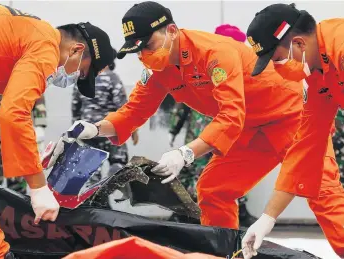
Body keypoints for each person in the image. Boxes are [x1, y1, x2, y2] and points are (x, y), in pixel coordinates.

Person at [46, 0, 337, 248]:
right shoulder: (158, 68)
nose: (146, 55)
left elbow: (231, 114)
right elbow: (133, 112)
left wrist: (185, 154)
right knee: (213, 188)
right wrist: (93, 129)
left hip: (291, 117)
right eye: (139, 51)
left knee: (321, 192)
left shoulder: (214, 52)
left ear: (171, 31)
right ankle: (222, 252)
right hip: (250, 131)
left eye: (149, 45)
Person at [0, 2, 115, 258]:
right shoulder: (45, 44)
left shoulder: (25, 32)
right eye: (81, 73)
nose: (72, 80)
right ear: (76, 50)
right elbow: (13, 113)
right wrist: (38, 186)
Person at [242, 3, 344, 258]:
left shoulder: (340, 48)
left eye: (277, 59)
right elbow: (305, 150)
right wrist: (268, 218)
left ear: (298, 44)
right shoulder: (319, 75)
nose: (277, 68)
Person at [168, 24, 246, 202]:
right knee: (195, 169)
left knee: (229, 172)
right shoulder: (204, 62)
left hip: (224, 132)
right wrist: (174, 129)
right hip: (203, 133)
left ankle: (234, 209)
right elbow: (182, 101)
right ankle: (189, 211)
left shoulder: (235, 68)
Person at [72, 49, 139, 182]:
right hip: (110, 130)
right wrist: (133, 130)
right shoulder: (113, 78)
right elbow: (123, 107)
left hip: (87, 130)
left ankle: (93, 197)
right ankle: (112, 182)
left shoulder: (82, 79)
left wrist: (75, 133)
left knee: (90, 171)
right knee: (119, 163)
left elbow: (75, 108)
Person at [0, 95, 48, 194]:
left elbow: (36, 93)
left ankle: (17, 208)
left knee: (17, 185)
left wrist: (39, 127)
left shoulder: (22, 79)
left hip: (18, 137)